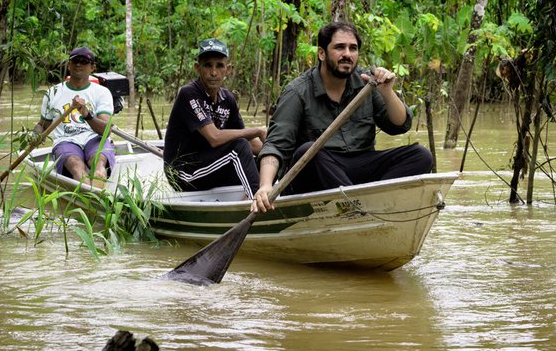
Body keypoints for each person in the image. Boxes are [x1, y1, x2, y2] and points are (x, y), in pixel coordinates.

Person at [252, 21, 433, 213]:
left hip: (359, 166)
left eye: (352, 48)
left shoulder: (368, 84)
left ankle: (367, 206)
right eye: (339, 47)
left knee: (421, 155)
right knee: (310, 151)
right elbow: (275, 145)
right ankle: (360, 209)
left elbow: (399, 125)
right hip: (317, 173)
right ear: (322, 53)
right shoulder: (298, 91)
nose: (347, 54)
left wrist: (387, 91)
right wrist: (265, 186)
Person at [162, 38, 266, 198]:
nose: (214, 72)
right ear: (197, 68)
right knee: (238, 146)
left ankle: (275, 195)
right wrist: (258, 130)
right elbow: (215, 137)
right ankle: (258, 203)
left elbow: (251, 143)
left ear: (228, 69)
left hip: (212, 165)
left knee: (266, 163)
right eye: (208, 65)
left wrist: (274, 151)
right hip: (184, 174)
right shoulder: (189, 93)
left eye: (219, 66)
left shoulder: (227, 99)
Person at [34, 47, 116, 185]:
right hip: (66, 140)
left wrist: (86, 114)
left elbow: (105, 131)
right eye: (75, 61)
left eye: (84, 61)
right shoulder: (53, 92)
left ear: (93, 67)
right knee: (76, 165)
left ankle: (98, 181)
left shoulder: (102, 92)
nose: (78, 64)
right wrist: (35, 134)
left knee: (98, 162)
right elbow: (43, 125)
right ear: (69, 65)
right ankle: (88, 190)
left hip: (94, 138)